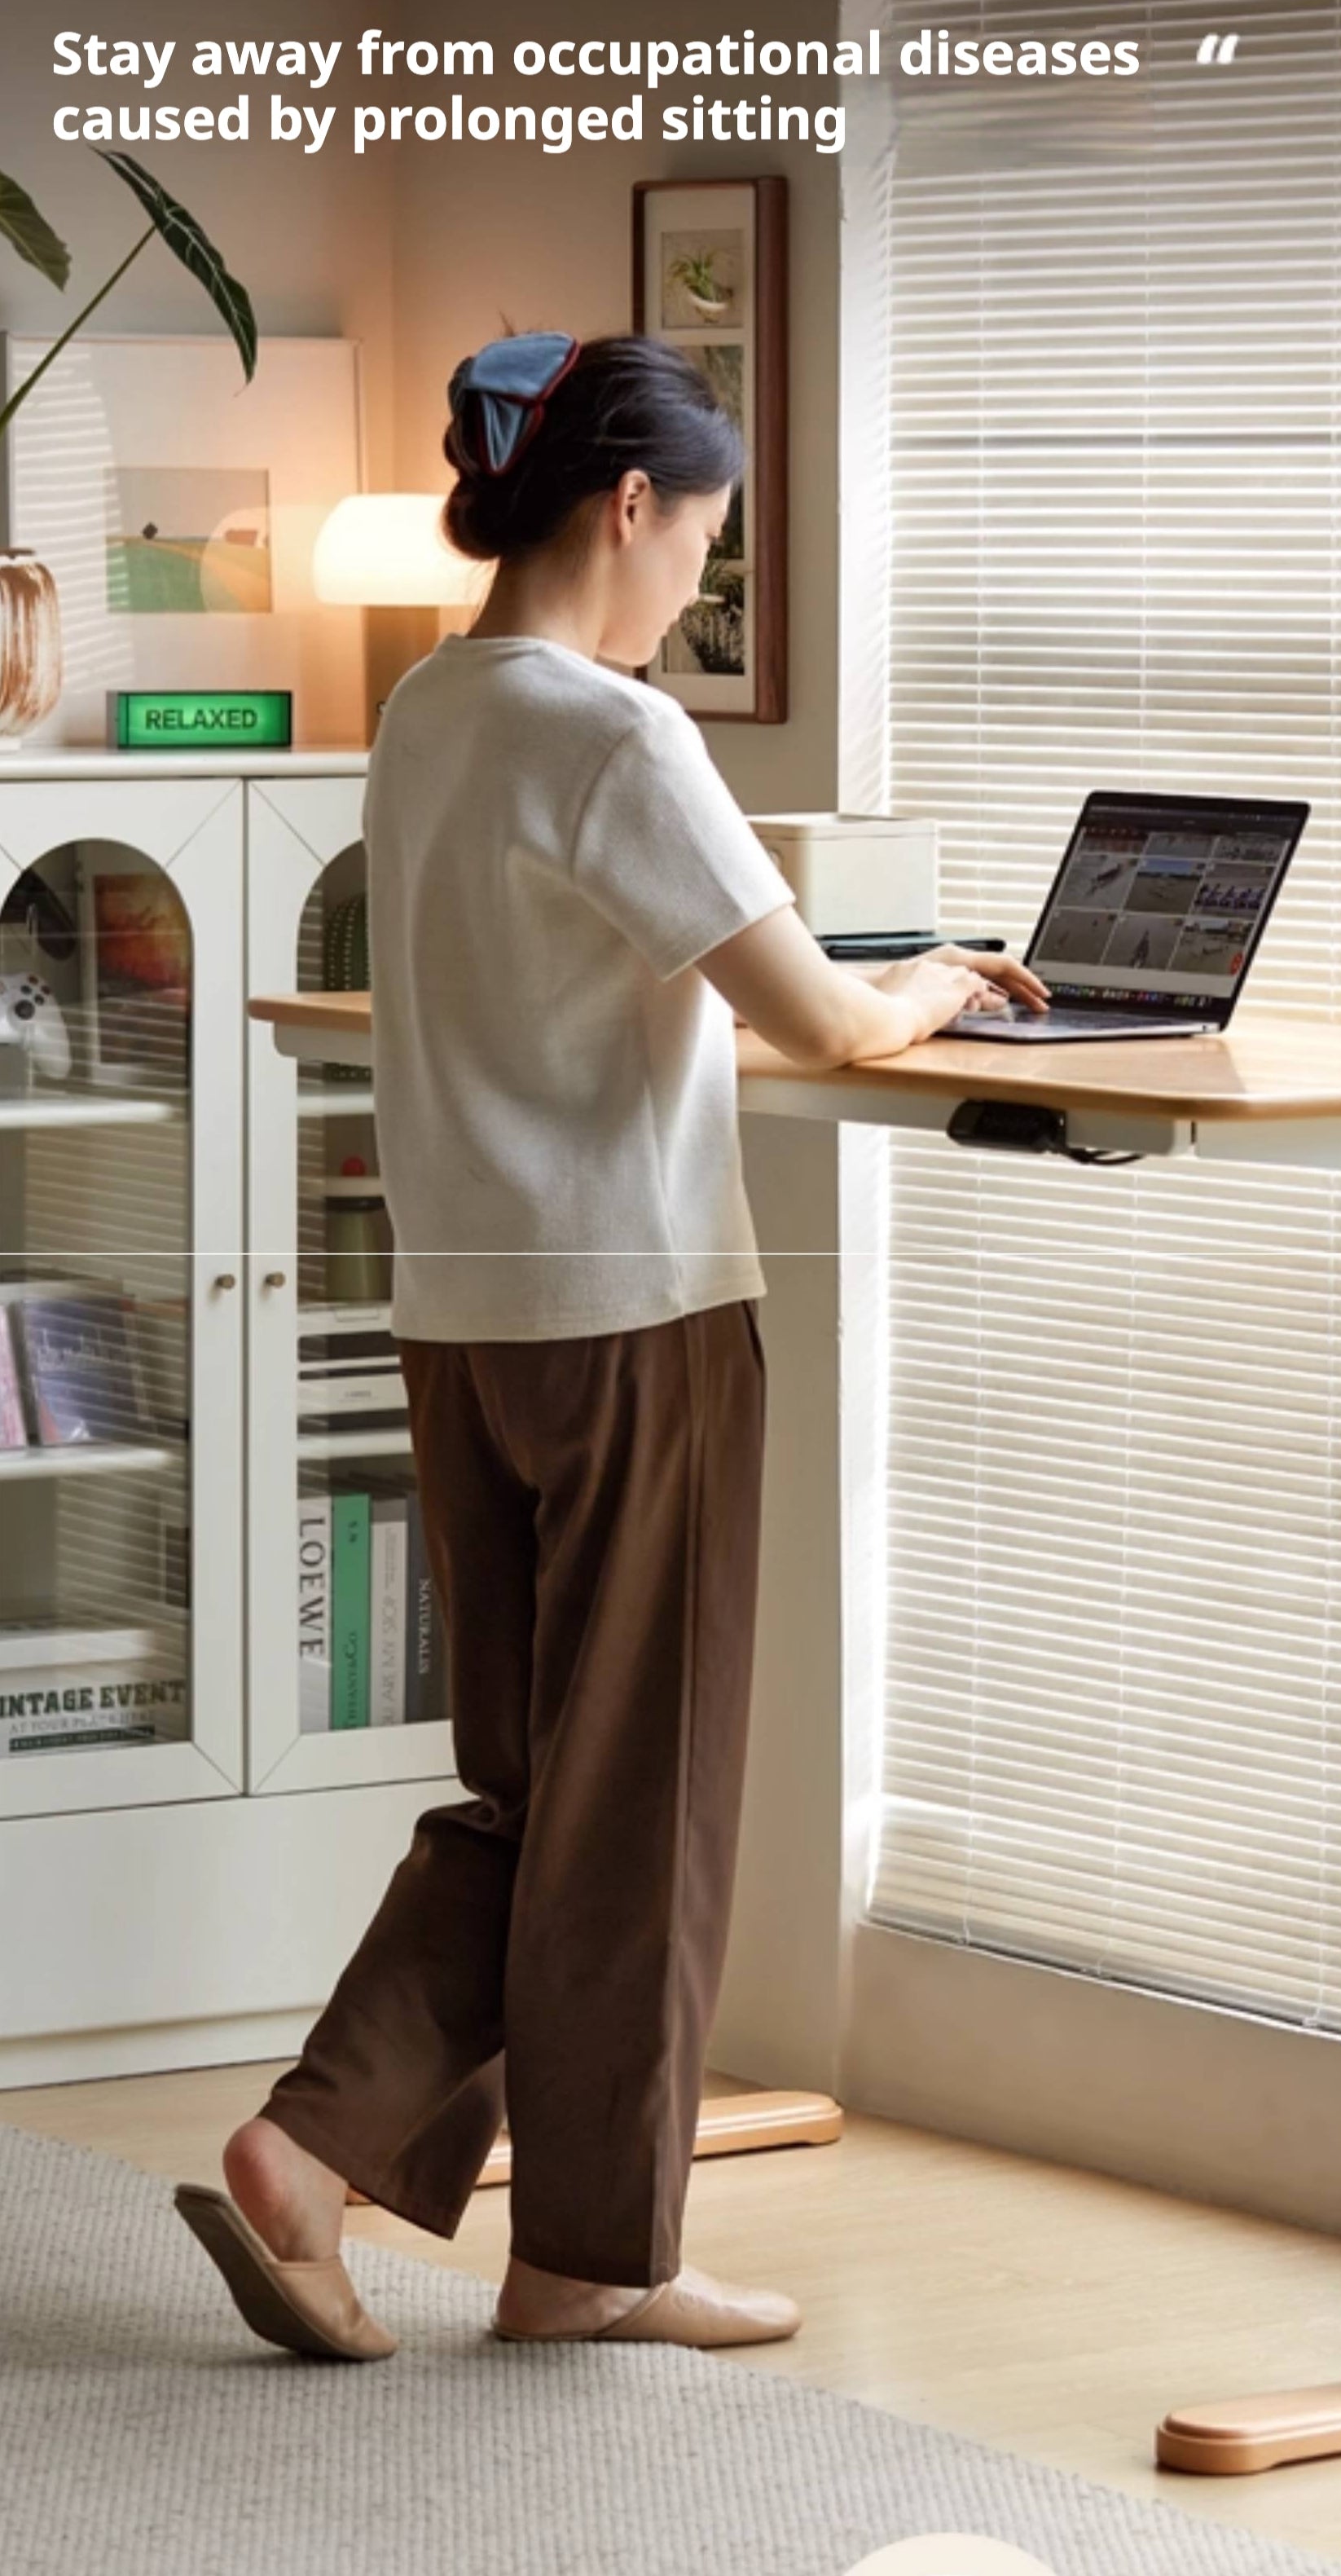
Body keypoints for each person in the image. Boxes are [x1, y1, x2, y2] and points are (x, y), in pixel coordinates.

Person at [173, 331, 1048, 2362]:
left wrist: (824, 995)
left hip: (466, 1320)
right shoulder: (613, 731)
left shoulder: (427, 708)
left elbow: (609, 988)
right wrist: (935, 980)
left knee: (526, 1783)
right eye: (703, 545)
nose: (697, 592)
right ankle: (542, 2234)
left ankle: (401, 2185)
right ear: (627, 505)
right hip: (635, 1314)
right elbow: (823, 1019)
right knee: (632, 1807)